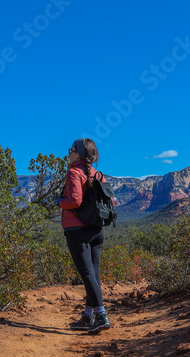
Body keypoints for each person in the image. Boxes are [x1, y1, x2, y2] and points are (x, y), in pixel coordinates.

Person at [57, 138, 111, 333]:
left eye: (71, 150)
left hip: (77, 231)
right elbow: (110, 200)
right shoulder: (98, 174)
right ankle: (88, 317)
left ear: (78, 154)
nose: (69, 153)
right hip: (97, 231)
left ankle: (101, 315)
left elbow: (74, 201)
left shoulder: (74, 172)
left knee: (87, 275)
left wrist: (59, 202)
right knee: (93, 275)